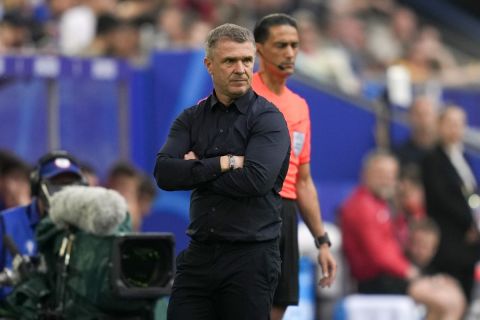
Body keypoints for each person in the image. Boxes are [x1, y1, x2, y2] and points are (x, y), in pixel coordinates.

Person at [154, 23, 291, 320]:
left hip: (251, 257)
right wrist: (225, 163)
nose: (241, 69)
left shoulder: (269, 119)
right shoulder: (190, 118)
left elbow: (255, 180)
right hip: (200, 254)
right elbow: (164, 173)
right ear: (209, 65)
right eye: (230, 61)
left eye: (246, 60)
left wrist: (194, 169)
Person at [251, 13, 336, 319]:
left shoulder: (300, 105)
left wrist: (322, 241)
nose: (289, 53)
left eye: (295, 45)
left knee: (277, 305)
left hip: (285, 214)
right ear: (259, 49)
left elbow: (303, 181)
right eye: (281, 45)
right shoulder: (241, 95)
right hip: (249, 210)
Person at [340, 150, 466, 319]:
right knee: (447, 300)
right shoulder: (362, 207)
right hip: (376, 281)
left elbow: (398, 244)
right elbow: (379, 255)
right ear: (366, 174)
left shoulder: (383, 205)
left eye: (392, 175)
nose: (388, 180)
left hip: (392, 276)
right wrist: (412, 272)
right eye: (382, 174)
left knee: (454, 292)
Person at [0, 150, 87, 299]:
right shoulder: (7, 223)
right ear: (37, 188)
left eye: (71, 185)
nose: (64, 192)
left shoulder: (88, 229)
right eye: (56, 184)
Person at [422, 105, 480, 302]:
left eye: (460, 124)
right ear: (439, 126)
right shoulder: (432, 159)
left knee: (467, 293)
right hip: (448, 240)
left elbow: (471, 193)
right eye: (451, 124)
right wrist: (468, 222)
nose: (456, 129)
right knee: (453, 297)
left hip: (470, 242)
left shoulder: (464, 157)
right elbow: (442, 197)